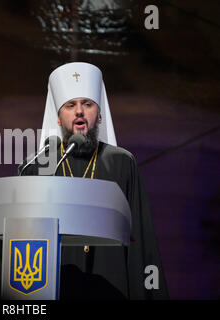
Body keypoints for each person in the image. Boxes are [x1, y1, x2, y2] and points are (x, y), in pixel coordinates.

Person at [19, 62, 169, 299]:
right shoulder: (37, 167)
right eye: (70, 105)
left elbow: (141, 241)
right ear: (58, 117)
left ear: (99, 115)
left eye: (87, 104)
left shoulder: (121, 163)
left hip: (111, 289)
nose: (79, 111)